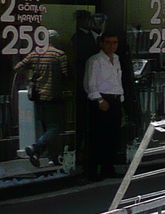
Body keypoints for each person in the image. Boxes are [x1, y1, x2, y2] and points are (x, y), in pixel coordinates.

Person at [17, 29, 70, 167]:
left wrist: (32, 74)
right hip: (53, 95)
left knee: (47, 127)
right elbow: (65, 75)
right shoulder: (59, 54)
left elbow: (18, 67)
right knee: (55, 127)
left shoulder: (35, 54)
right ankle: (36, 147)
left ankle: (50, 157)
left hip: (37, 96)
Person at [82, 32, 126, 181]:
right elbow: (90, 83)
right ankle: (93, 171)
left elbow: (117, 81)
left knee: (112, 137)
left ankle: (108, 168)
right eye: (108, 42)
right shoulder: (95, 61)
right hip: (101, 99)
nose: (111, 45)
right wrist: (100, 100)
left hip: (115, 99)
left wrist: (120, 100)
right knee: (98, 137)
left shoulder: (117, 59)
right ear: (101, 43)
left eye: (114, 42)